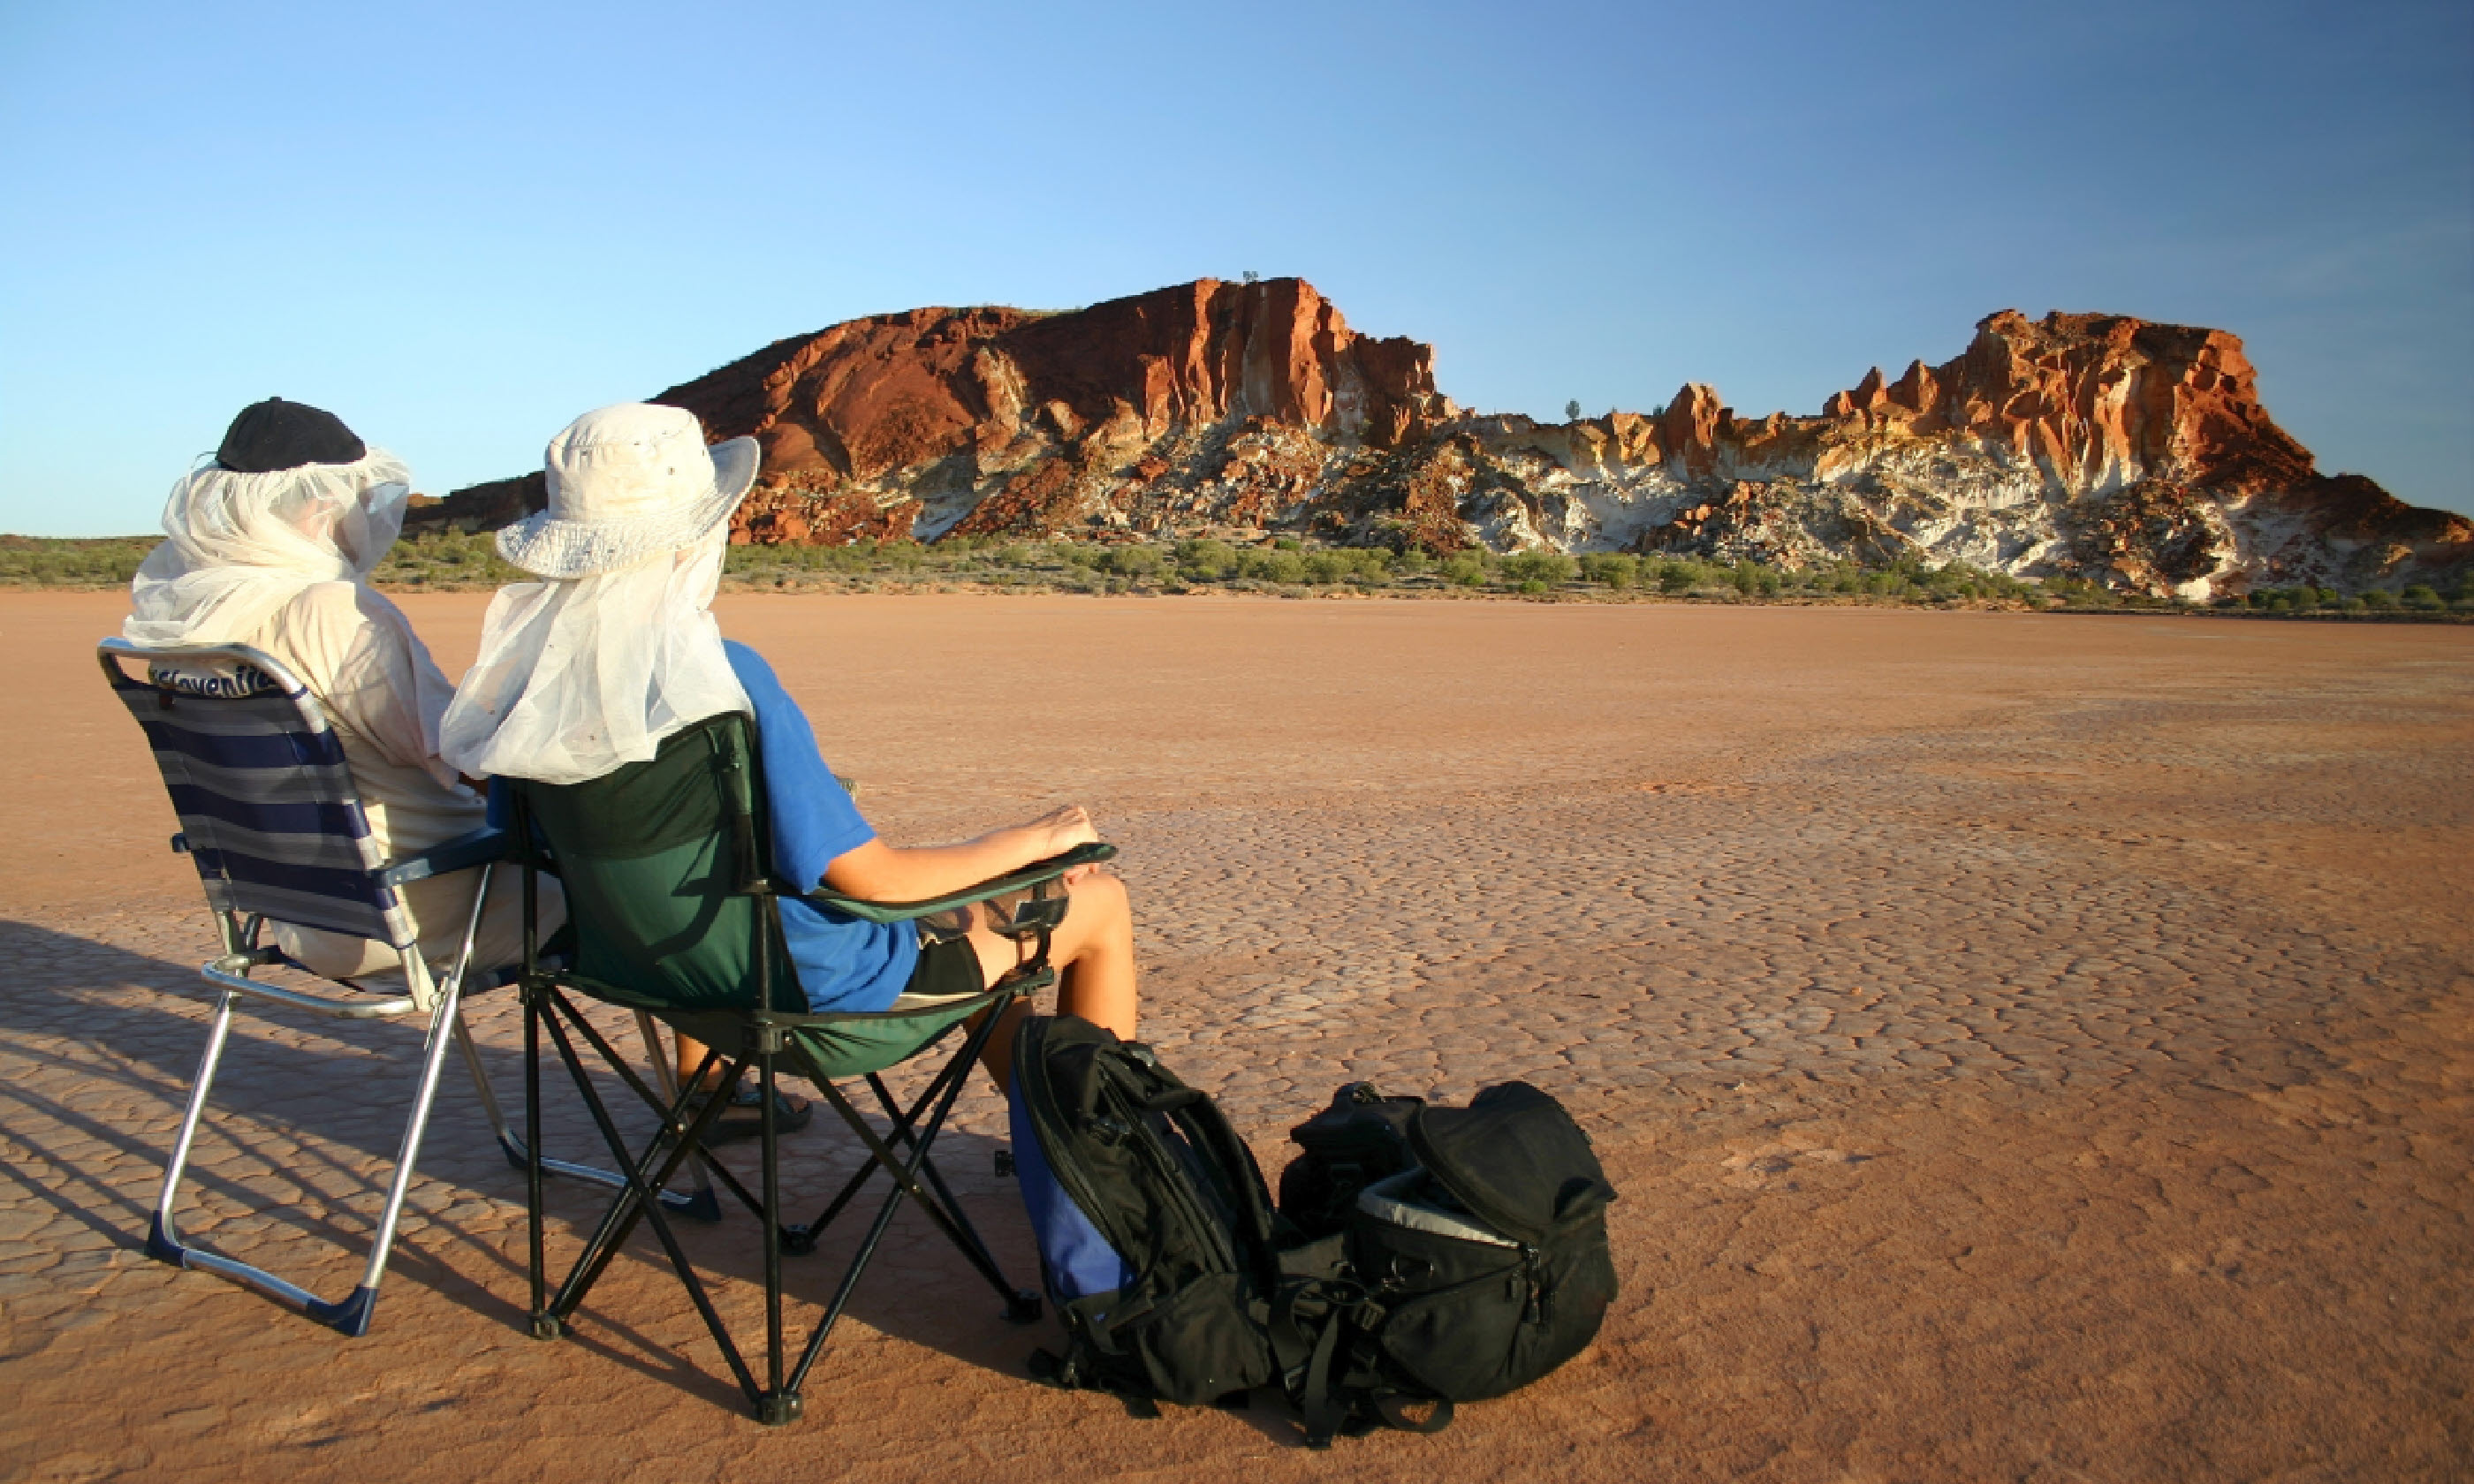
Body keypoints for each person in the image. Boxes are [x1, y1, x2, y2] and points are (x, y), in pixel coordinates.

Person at [438, 403, 1136, 1101]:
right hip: (810, 997)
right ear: (690, 542)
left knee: (964, 923)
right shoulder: (723, 682)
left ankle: (708, 1086)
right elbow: (879, 884)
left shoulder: (535, 697)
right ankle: (1111, 1152)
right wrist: (1035, 841)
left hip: (651, 978)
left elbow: (537, 844)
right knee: (1095, 900)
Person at [125, 398, 561, 981]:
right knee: (622, 891)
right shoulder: (330, 611)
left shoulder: (186, 617)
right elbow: (464, 755)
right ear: (318, 510)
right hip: (425, 906)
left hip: (298, 912)